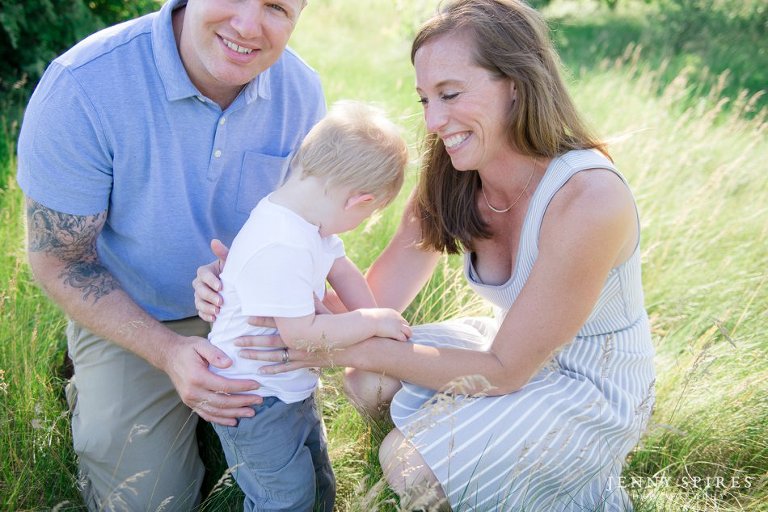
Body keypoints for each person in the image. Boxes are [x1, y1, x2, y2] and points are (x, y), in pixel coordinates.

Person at [195, 0, 656, 510]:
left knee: (407, 464)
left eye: (450, 94)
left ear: (517, 84)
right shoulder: (454, 176)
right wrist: (256, 281)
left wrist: (333, 347)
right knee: (367, 382)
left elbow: (506, 370)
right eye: (424, 100)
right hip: (507, 344)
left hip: (588, 383)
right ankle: (484, 460)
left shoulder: (588, 198)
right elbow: (374, 303)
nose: (434, 121)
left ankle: (536, 479)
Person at [16, 0, 323, 510]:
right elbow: (60, 260)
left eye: (276, 6)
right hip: (136, 313)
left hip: (252, 311)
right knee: (150, 502)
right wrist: (167, 353)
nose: (248, 25)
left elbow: (310, 229)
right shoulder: (83, 85)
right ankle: (92, 378)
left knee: (303, 479)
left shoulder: (302, 92)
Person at [209, 100, 410, 511]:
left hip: (286, 388)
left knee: (318, 486)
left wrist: (378, 328)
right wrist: (371, 321)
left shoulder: (307, 222)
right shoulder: (282, 240)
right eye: (367, 215)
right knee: (285, 498)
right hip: (252, 398)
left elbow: (343, 271)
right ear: (358, 201)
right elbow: (301, 335)